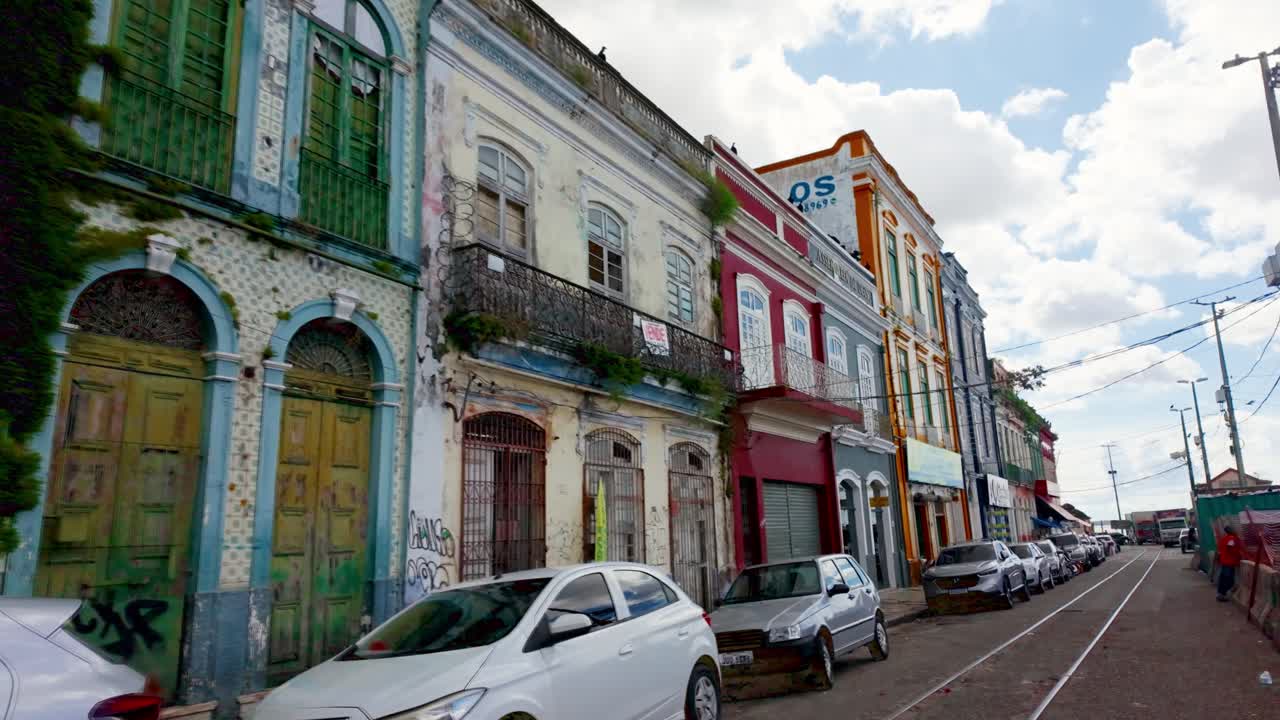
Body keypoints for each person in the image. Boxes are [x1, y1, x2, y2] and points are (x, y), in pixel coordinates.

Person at [1216, 525, 1242, 601]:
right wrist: (1238, 555)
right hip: (1229, 561)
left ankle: (1221, 594)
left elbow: (1221, 549)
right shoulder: (1232, 538)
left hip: (1224, 561)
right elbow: (1230, 548)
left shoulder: (1224, 539)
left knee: (1224, 578)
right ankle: (1223, 594)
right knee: (1228, 579)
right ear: (1231, 531)